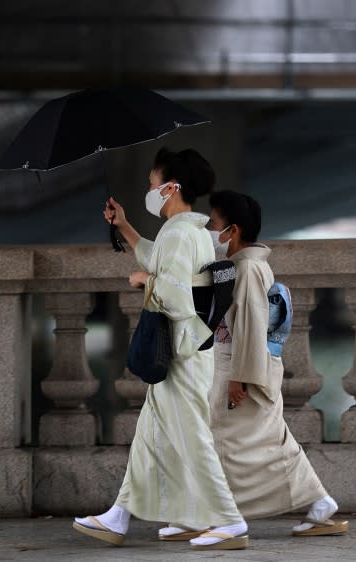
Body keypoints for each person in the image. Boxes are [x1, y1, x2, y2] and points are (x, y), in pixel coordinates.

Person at [72, 148, 249, 550]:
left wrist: (143, 282)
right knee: (151, 437)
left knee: (192, 436)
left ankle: (229, 519)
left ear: (171, 188)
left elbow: (178, 294)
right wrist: (126, 227)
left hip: (182, 353)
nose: (150, 190)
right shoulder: (190, 232)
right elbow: (162, 259)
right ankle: (121, 517)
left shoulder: (179, 233)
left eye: (153, 184)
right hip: (190, 348)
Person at [202, 190, 349, 537]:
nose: (209, 229)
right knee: (269, 440)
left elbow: (251, 325)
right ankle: (319, 501)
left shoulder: (249, 268)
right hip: (242, 362)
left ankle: (225, 515)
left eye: (214, 223)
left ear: (233, 230)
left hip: (240, 365)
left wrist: (239, 378)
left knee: (232, 443)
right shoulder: (244, 266)